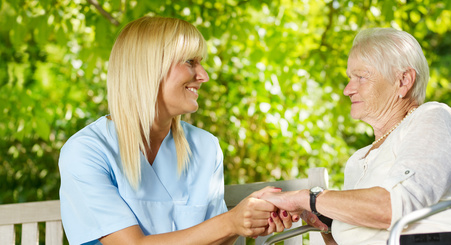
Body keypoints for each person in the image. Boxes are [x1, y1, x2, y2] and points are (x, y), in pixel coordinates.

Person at [58, 16, 293, 245]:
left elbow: (215, 239)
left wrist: (251, 218)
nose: (204, 76)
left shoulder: (206, 147)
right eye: (190, 62)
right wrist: (231, 222)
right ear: (148, 68)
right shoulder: (85, 151)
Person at [261, 27, 451, 244]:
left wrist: (307, 198)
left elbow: (391, 208)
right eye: (350, 77)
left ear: (403, 81)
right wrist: (327, 224)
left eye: (361, 76)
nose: (347, 89)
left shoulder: (432, 117)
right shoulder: (358, 159)